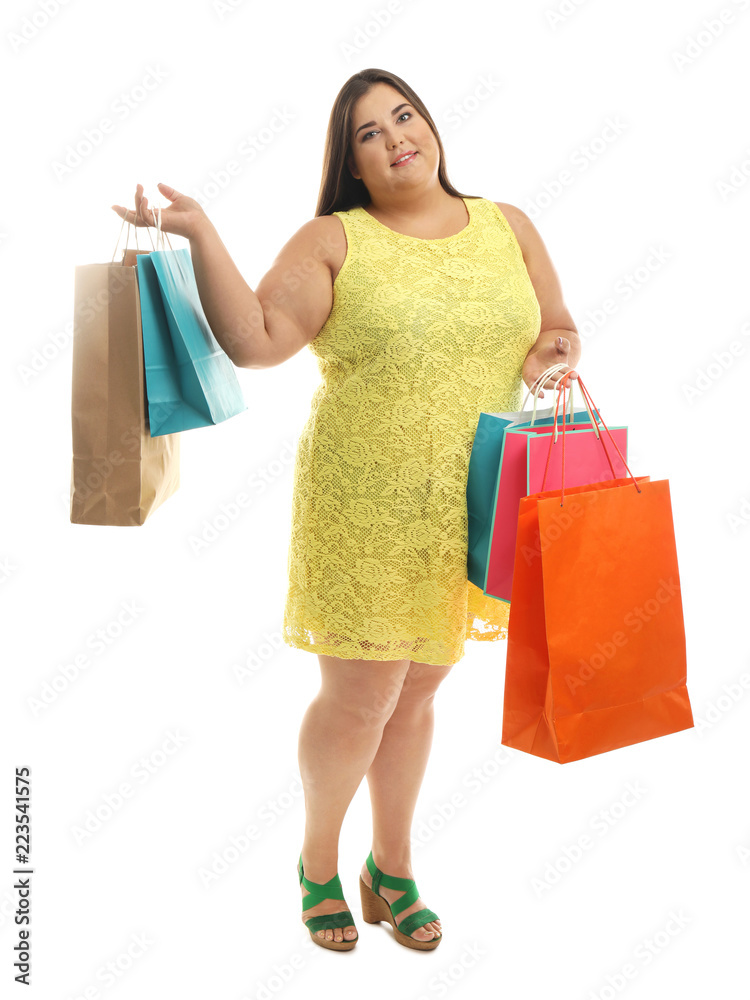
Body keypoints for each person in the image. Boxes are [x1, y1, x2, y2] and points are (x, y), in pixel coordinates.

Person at [112, 67, 581, 953]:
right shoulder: (335, 239)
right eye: (369, 132)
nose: (396, 135)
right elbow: (256, 340)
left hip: (469, 504)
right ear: (353, 162)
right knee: (362, 700)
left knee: (419, 697)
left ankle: (391, 867)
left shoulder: (508, 225)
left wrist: (554, 352)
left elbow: (554, 325)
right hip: (363, 503)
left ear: (432, 126)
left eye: (404, 115)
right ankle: (318, 864)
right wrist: (201, 228)